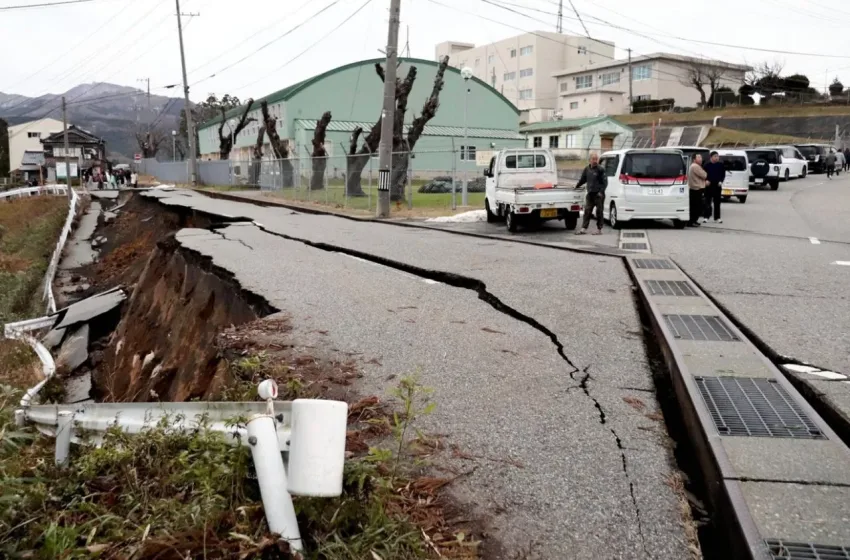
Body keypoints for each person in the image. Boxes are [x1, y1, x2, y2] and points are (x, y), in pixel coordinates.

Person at [575, 152, 608, 235]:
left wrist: (601, 192)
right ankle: (584, 228)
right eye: (593, 159)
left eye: (596, 159)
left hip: (598, 195)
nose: (595, 161)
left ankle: (599, 229)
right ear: (589, 160)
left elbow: (605, 183)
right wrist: (576, 186)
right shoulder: (587, 169)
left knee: (599, 212)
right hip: (590, 194)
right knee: (587, 211)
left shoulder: (601, 169)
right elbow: (583, 179)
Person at [702, 151, 726, 224]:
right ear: (711, 157)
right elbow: (703, 175)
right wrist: (705, 181)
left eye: (717, 156)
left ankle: (717, 217)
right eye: (715, 156)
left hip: (717, 186)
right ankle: (706, 217)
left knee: (717, 202)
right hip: (709, 186)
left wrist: (721, 181)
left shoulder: (721, 165)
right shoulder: (707, 165)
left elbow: (723, 175)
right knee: (708, 202)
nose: (716, 158)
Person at [688, 153, 708, 226]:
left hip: (695, 189)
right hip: (696, 189)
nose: (701, 159)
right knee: (696, 206)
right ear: (694, 159)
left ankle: (693, 220)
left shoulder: (694, 166)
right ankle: (692, 221)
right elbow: (704, 175)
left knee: (695, 206)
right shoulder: (695, 166)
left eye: (701, 157)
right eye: (699, 158)